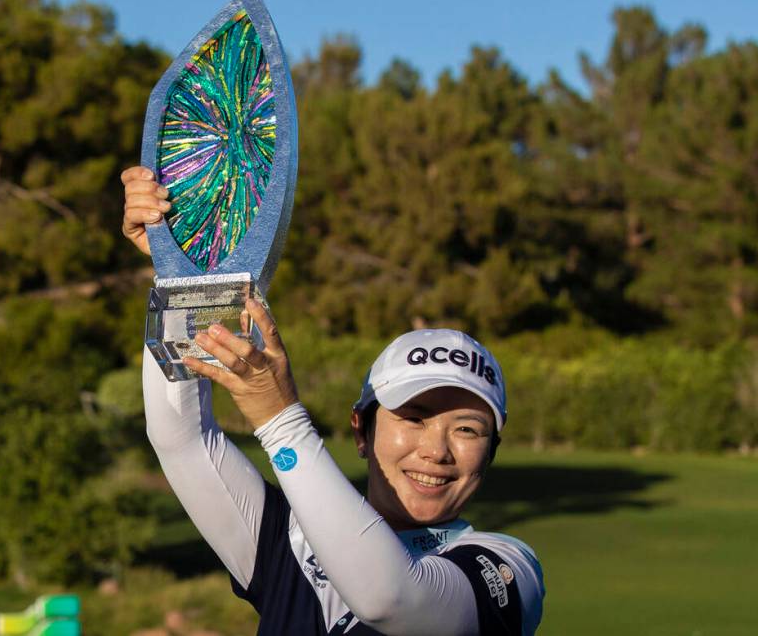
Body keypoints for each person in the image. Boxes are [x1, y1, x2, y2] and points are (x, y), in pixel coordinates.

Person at [122, 166, 545, 635]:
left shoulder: (508, 568)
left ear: (490, 454)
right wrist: (181, 274)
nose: (436, 450)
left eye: (467, 428)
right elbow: (181, 439)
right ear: (361, 430)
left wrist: (282, 421)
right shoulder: (286, 540)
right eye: (413, 416)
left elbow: (390, 599)